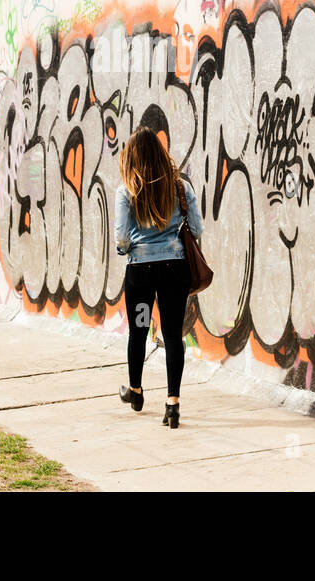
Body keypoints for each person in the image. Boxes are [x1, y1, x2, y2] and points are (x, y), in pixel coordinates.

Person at [114, 127, 202, 428]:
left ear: (133, 157)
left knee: (138, 330)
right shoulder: (180, 188)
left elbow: (122, 240)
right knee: (173, 334)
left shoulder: (126, 191)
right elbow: (198, 230)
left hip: (141, 274)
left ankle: (136, 391)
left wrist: (126, 247)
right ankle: (173, 403)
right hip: (174, 270)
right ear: (162, 154)